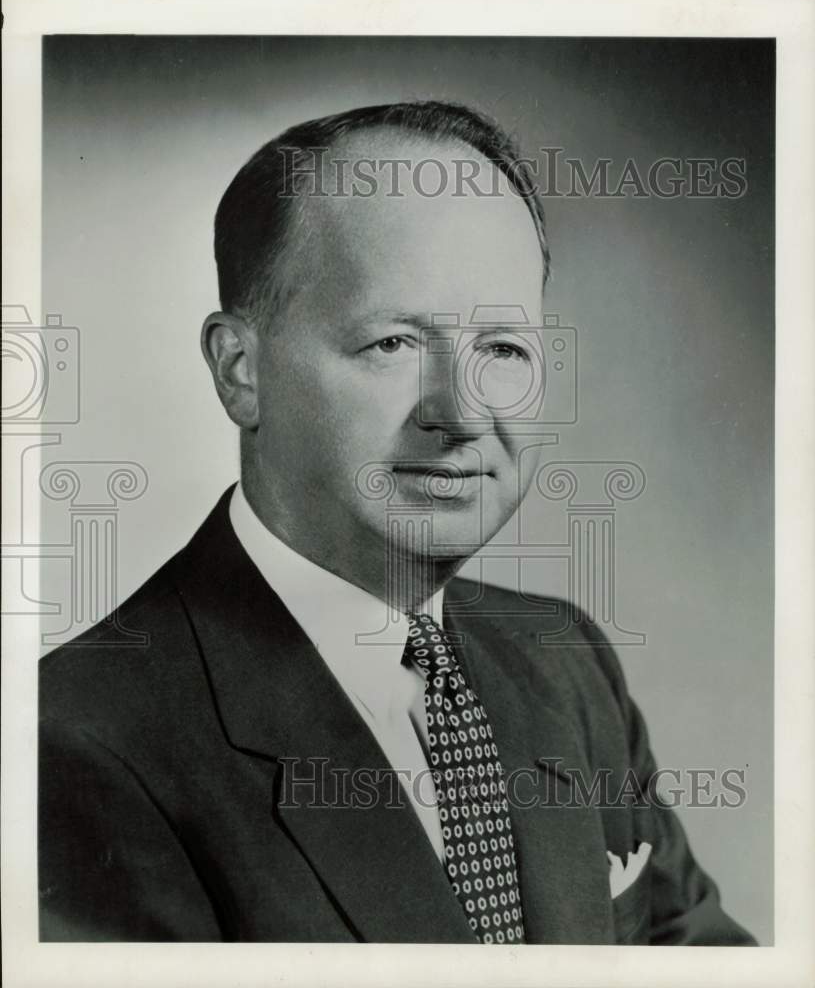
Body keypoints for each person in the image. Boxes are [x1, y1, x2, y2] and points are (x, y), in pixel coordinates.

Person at [38, 100, 755, 945]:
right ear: (240, 371)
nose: (460, 413)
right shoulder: (71, 743)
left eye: (503, 349)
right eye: (392, 344)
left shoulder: (564, 661)